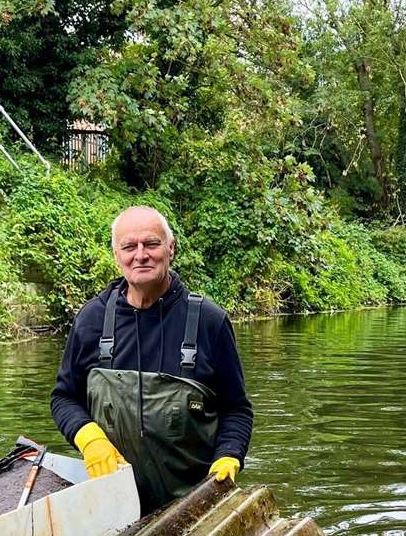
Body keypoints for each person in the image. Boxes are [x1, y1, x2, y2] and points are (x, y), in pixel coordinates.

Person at [51, 205, 254, 513]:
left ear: (170, 249)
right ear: (116, 255)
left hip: (196, 504)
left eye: (152, 244)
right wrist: (88, 437)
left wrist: (229, 455)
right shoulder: (90, 320)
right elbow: (64, 398)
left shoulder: (209, 322)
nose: (141, 255)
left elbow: (236, 410)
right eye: (129, 247)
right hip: (111, 503)